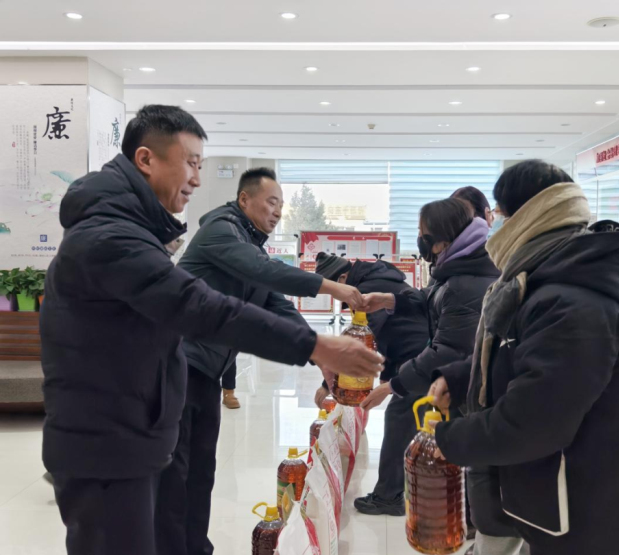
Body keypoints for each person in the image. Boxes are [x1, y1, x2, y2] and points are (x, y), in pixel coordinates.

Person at [40, 105, 383, 555]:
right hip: (106, 440)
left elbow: (267, 298)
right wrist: (317, 339)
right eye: (191, 163)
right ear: (146, 159)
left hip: (133, 424)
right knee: (162, 502)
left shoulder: (133, 229)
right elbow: (199, 306)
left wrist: (320, 354)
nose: (197, 179)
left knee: (192, 480)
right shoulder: (114, 236)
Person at [428, 160, 619, 555]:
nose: (495, 227)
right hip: (568, 500)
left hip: (591, 521)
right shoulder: (551, 280)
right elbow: (527, 357)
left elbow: (534, 422)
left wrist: (449, 440)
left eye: (501, 215)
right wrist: (460, 377)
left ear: (528, 216)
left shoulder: (573, 303)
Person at [156, 166, 367, 555]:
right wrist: (331, 286)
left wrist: (321, 356)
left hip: (206, 372)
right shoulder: (221, 231)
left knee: (201, 472)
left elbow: (275, 301)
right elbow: (263, 271)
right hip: (178, 365)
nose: (278, 212)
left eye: (281, 205)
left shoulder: (248, 243)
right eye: (271, 202)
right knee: (176, 473)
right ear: (244, 200)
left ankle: (195, 547)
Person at [314, 252, 429, 516]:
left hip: (419, 356)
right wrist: (387, 376)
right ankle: (407, 488)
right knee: (412, 420)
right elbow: (392, 332)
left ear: (342, 278)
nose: (338, 300)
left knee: (400, 420)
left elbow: (363, 341)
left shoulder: (366, 290)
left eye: (334, 292)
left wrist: (327, 384)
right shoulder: (376, 277)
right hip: (417, 352)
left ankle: (389, 496)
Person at [360, 197, 499, 413]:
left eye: (422, 234)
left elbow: (447, 351)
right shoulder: (463, 265)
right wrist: (391, 300)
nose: (419, 240)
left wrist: (393, 385)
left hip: (471, 401)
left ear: (442, 242)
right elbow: (435, 297)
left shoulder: (464, 283)